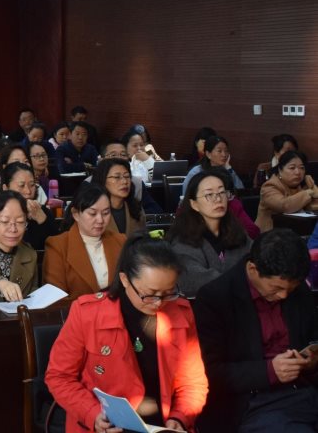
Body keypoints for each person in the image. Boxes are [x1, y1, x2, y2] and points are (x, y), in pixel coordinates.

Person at [46, 237, 208, 433]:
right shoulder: (87, 313)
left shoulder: (181, 313)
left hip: (163, 425)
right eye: (150, 294)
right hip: (106, 426)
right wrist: (92, 414)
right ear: (124, 280)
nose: (158, 303)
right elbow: (59, 377)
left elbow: (193, 383)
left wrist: (180, 417)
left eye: (168, 293)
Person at [193, 229, 318, 432]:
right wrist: (269, 371)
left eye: (291, 289)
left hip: (304, 388)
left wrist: (311, 360)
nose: (284, 296)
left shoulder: (296, 289)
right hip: (253, 400)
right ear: (252, 269)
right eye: (276, 288)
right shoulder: (216, 298)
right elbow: (211, 372)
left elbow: (312, 337)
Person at [167, 171, 251, 297]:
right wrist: (245, 283)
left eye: (222, 192)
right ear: (194, 204)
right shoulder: (183, 238)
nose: (218, 199)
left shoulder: (236, 231)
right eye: (209, 194)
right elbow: (193, 280)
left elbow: (257, 260)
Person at [43, 183, 126, 300]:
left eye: (106, 213)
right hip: (75, 311)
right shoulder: (58, 246)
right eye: (92, 213)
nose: (100, 220)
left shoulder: (120, 241)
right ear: (76, 214)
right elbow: (55, 299)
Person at [255, 150, 318, 231]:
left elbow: (314, 206)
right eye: (292, 168)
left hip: (298, 230)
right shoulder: (270, 186)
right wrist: (307, 193)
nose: (298, 172)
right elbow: (284, 206)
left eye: (302, 168)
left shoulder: (305, 183)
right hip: (271, 233)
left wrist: (312, 188)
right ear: (280, 170)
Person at [0, 162, 56, 250]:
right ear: (6, 188)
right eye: (21, 185)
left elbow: (56, 248)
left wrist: (43, 221)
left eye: (32, 185)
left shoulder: (44, 212)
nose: (28, 191)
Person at [91, 158, 147, 237]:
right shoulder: (91, 210)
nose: (124, 181)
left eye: (127, 176)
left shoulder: (136, 208)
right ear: (102, 180)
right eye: (117, 177)